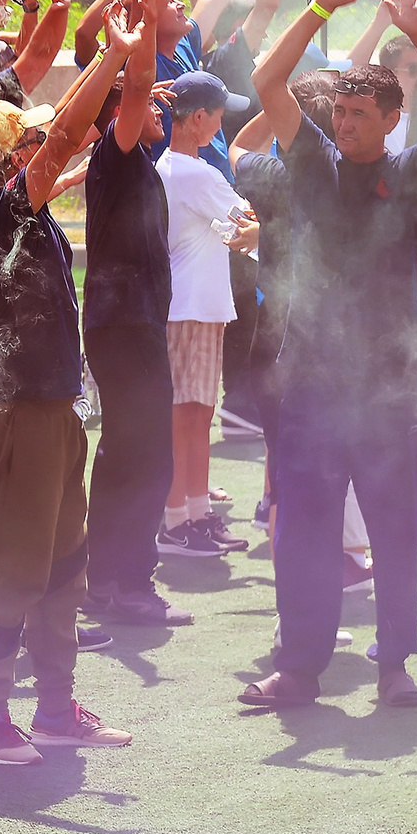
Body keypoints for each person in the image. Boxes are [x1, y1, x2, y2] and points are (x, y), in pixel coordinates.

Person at [237, 0, 417, 711]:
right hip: (310, 389)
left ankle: (394, 667)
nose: (341, 124)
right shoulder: (310, 163)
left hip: (389, 394)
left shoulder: (412, 174)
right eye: (338, 113)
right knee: (304, 539)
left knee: (392, 537)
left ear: (388, 121)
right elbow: (268, 85)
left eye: (356, 116)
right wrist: (317, 8)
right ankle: (300, 668)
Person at [0, 15, 144, 765]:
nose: (43, 143)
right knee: (12, 573)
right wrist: (111, 57)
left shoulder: (20, 211)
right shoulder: (0, 211)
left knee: (65, 568)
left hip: (54, 412)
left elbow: (69, 148)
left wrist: (122, 77)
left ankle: (57, 707)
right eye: (29, 141)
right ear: (10, 160)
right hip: (20, 417)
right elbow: (65, 139)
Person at [80, 0, 188, 627]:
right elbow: (138, 87)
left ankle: (116, 577)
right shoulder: (116, 158)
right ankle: (123, 581)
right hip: (125, 326)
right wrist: (142, 26)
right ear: (118, 114)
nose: (158, 108)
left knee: (136, 450)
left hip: (134, 324)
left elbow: (144, 89)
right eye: (144, 104)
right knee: (140, 453)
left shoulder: (133, 160)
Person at [154, 69, 257, 561]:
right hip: (189, 309)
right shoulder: (195, 173)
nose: (220, 127)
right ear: (197, 119)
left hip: (196, 307)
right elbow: (248, 223)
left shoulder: (180, 169)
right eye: (217, 117)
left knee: (196, 414)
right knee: (185, 416)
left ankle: (193, 515)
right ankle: (177, 521)